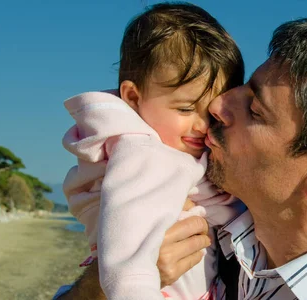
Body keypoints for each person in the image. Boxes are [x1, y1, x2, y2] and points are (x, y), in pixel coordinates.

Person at [57, 18, 307, 300]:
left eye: (254, 109)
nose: (217, 105)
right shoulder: (230, 210)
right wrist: (101, 287)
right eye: (242, 88)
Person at [60, 3, 244, 300]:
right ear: (133, 97)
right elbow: (127, 258)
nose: (202, 125)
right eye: (185, 108)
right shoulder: (143, 154)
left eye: (211, 113)